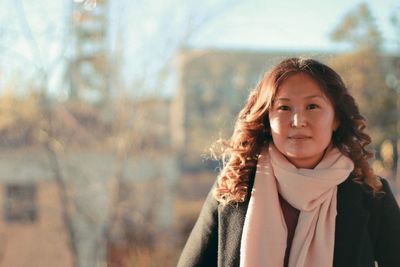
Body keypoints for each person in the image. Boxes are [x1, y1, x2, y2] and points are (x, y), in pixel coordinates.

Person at [177, 57, 400, 267]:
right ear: (267, 118)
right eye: (284, 107)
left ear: (336, 119)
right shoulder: (233, 187)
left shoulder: (370, 194)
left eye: (312, 106)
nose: (297, 121)